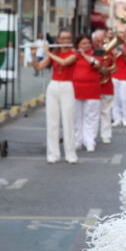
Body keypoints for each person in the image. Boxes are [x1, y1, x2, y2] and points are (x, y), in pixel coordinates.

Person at [34, 29, 78, 164]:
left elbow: (64, 63)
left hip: (67, 86)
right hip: (53, 86)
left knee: (68, 120)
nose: (65, 41)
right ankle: (53, 154)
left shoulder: (74, 54)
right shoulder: (55, 54)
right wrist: (33, 54)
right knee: (52, 121)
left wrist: (48, 52)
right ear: (58, 40)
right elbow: (38, 67)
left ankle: (70, 154)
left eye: (68, 38)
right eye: (63, 38)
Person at [71, 33, 104, 152]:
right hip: (76, 89)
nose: (86, 45)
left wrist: (83, 54)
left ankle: (90, 141)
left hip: (92, 89)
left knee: (91, 117)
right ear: (78, 45)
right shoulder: (73, 55)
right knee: (76, 117)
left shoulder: (97, 53)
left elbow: (97, 65)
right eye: (83, 43)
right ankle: (77, 141)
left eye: (88, 43)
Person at [92, 30, 114, 144]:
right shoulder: (90, 52)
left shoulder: (109, 52)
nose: (100, 42)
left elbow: (114, 67)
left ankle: (106, 135)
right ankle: (91, 137)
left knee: (106, 112)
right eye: (97, 40)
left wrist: (108, 69)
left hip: (106, 85)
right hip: (93, 85)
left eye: (101, 40)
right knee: (93, 113)